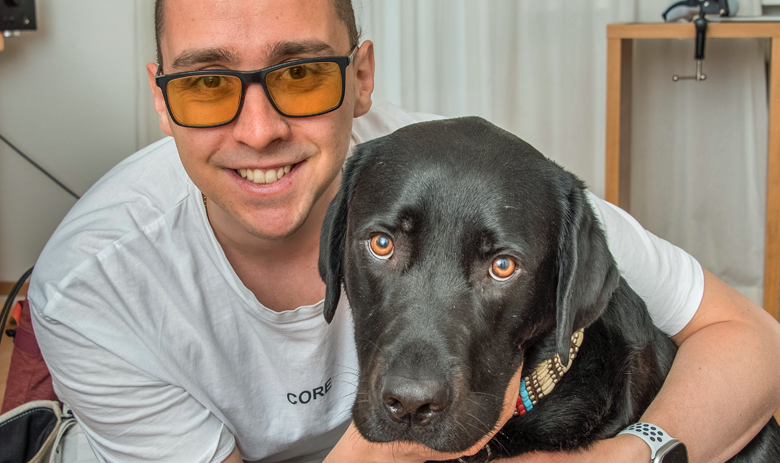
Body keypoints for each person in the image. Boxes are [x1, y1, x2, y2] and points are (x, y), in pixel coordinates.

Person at [27, 0, 780, 462]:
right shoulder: (92, 286)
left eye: (300, 74)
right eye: (207, 83)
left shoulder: (469, 179)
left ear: (361, 78)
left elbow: (749, 337)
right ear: (162, 99)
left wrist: (624, 458)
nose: (258, 131)